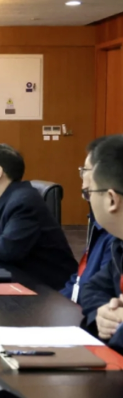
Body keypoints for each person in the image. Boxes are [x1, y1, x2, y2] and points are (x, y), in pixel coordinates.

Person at [0, 144, 77, 290]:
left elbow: (6, 250)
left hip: (49, 290)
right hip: (19, 277)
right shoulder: (3, 198)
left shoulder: (23, 201)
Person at [79, 135, 123, 352]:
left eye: (89, 193)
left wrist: (118, 327)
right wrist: (103, 313)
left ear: (112, 200)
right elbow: (92, 288)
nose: (87, 199)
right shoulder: (118, 244)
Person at [61, 137, 115, 303]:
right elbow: (84, 282)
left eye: (88, 193)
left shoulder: (114, 235)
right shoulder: (101, 226)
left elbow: (98, 298)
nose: (82, 176)